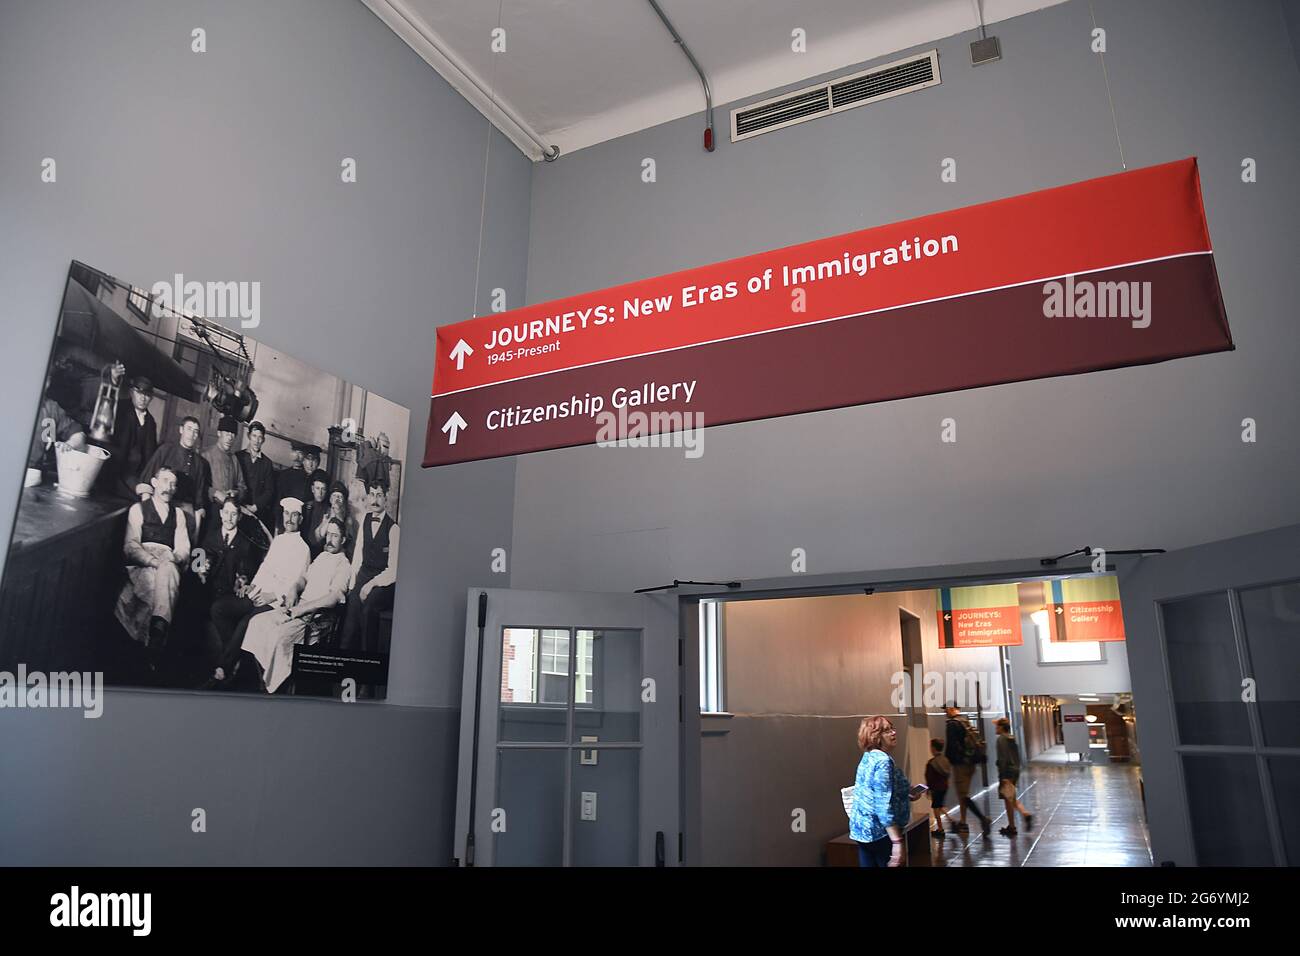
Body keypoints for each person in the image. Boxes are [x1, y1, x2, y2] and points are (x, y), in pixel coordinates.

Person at [239, 518, 352, 693]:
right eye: (328, 533)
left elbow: (333, 598)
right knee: (257, 623)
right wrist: (293, 588)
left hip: (314, 616)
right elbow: (304, 579)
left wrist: (302, 609)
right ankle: (261, 679)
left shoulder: (343, 564)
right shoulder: (322, 556)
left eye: (335, 535)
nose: (329, 539)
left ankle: (275, 687)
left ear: (343, 539)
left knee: (278, 637)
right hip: (296, 607)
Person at [207, 497, 311, 685]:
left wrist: (270, 596)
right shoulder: (278, 540)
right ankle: (237, 657)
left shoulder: (304, 549)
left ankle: (224, 668)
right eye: (287, 514)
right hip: (258, 593)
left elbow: (295, 584)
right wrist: (252, 586)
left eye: (294, 515)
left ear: (301, 519)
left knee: (248, 621)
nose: (289, 519)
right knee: (218, 608)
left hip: (275, 602)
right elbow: (265, 568)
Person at [114, 464, 192, 660]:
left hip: (168, 561)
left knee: (167, 571)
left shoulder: (179, 515)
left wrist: (173, 558)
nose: (169, 487)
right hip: (143, 562)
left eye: (173, 484)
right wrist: (151, 560)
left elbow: (184, 548)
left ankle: (152, 641)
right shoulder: (138, 509)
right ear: (154, 483)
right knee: (157, 583)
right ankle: (157, 635)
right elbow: (130, 546)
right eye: (165, 481)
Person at [849, 715, 925, 867]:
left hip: (862, 829)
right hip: (879, 832)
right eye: (886, 731)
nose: (893, 733)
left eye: (892, 728)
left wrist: (906, 793)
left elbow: (879, 789)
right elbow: (882, 803)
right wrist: (896, 841)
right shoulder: (883, 761)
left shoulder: (869, 756)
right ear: (875, 737)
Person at [339, 478, 399, 653]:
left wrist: (370, 585)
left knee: (368, 611)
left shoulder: (394, 529)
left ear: (386, 499)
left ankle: (367, 665)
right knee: (351, 612)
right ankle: (342, 664)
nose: (375, 500)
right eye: (372, 495)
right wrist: (353, 585)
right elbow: (358, 554)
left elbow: (393, 570)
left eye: (379, 495)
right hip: (364, 574)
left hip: (384, 582)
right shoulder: (365, 519)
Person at [140, 416, 212, 538]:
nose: (192, 434)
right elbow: (146, 483)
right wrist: (147, 512)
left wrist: (196, 533)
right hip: (162, 504)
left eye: (195, 431)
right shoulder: (165, 450)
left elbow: (199, 500)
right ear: (181, 430)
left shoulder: (199, 463)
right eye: (189, 429)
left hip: (185, 509)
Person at [945, 702, 991, 838]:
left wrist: (949, 761)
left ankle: (983, 819)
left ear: (952, 709)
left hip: (960, 764)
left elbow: (952, 745)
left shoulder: (952, 724)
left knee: (963, 796)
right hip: (971, 763)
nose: (945, 712)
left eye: (946, 709)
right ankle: (963, 823)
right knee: (962, 795)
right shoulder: (965, 721)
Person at [109, 374, 158, 500]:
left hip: (137, 475)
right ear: (131, 393)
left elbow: (150, 455)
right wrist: (113, 380)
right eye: (139, 393)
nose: (143, 398)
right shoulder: (120, 409)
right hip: (115, 470)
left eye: (147, 395)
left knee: (146, 497)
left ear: (151, 398)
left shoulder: (151, 422)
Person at [202, 415, 247, 523]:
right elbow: (198, 484)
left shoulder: (234, 459)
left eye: (233, 435)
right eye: (227, 434)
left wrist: (236, 493)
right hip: (209, 510)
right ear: (219, 433)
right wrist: (215, 493)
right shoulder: (206, 455)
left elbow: (243, 486)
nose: (230, 438)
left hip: (229, 513)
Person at [995, 717, 1034, 836]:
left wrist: (1003, 776)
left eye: (997, 726)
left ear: (1001, 727)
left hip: (1007, 772)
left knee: (1010, 798)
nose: (996, 729)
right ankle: (1012, 825)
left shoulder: (1001, 739)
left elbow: (1003, 758)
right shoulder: (1011, 738)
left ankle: (1024, 815)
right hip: (1014, 770)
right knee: (1009, 798)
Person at [236, 421, 276, 523]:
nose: (257, 440)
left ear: (263, 440)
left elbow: (269, 490)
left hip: (256, 512)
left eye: (260, 437)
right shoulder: (238, 456)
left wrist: (255, 507)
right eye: (254, 436)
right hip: (236, 507)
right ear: (249, 436)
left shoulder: (267, 463)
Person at [310, 480, 355, 559]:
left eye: (340, 497)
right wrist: (330, 518)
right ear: (330, 499)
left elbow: (348, 542)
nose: (336, 499)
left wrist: (338, 513)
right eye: (334, 496)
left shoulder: (348, 519)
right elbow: (318, 537)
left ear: (344, 500)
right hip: (324, 553)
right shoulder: (326, 513)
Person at [925, 737, 952, 839]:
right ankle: (951, 820)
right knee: (939, 806)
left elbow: (930, 778)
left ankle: (940, 829)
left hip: (936, 788)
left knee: (936, 808)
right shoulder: (945, 760)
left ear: (933, 748)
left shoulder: (932, 763)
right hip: (944, 787)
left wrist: (929, 788)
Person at [301, 469, 330, 553]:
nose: (320, 493)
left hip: (319, 551)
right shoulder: (306, 507)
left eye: (323, 489)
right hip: (303, 549)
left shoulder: (328, 511)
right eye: (317, 488)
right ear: (312, 489)